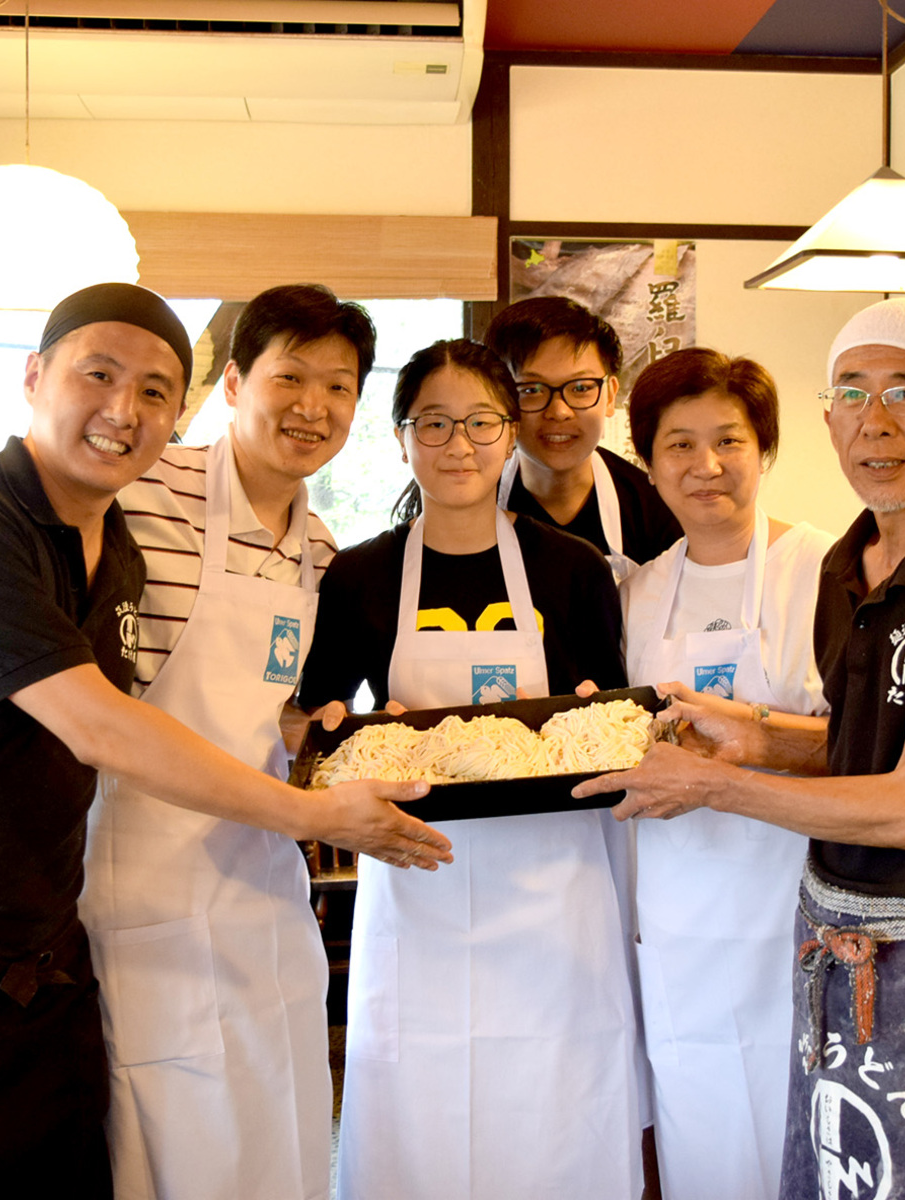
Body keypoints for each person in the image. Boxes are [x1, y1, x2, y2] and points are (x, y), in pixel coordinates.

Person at [0, 283, 451, 1200]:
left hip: (203, 890)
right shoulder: (126, 488)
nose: (312, 406)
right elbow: (87, 706)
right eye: (289, 376)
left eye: (339, 387)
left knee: (269, 1134)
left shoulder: (319, 549)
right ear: (229, 386)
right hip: (69, 890)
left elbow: (278, 703)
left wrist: (307, 732)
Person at [577, 298, 905, 1200]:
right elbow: (857, 740)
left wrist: (717, 783)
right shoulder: (855, 564)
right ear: (829, 418)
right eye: (853, 394)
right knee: (817, 1176)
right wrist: (754, 734)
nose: (875, 422)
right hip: (826, 932)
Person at [297, 339, 643, 1199]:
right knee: (422, 1090)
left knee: (556, 1091)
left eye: (482, 422)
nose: (460, 445)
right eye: (435, 424)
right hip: (420, 868)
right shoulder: (362, 573)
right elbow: (319, 718)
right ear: (401, 435)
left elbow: (614, 715)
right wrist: (344, 731)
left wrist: (601, 711)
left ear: (511, 428)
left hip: (555, 880)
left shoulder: (570, 568)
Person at [618, 347, 833, 1200]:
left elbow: (862, 742)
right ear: (648, 462)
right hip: (675, 907)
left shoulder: (823, 569)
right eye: (678, 445)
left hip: (793, 896)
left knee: (800, 1114)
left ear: (765, 449)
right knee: (699, 1116)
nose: (705, 467)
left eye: (729, 441)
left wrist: (749, 738)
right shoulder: (639, 589)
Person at [485, 296, 681, 579]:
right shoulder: (472, 498)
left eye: (580, 388)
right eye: (530, 390)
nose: (559, 411)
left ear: (611, 395)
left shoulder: (654, 509)